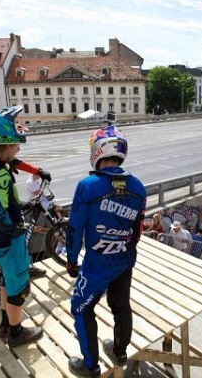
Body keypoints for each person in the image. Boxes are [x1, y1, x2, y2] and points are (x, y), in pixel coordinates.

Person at [66, 125, 146, 377]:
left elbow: (74, 229)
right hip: (124, 260)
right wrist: (123, 248)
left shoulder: (87, 185)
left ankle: (90, 366)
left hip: (97, 263)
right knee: (121, 305)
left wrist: (70, 260)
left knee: (81, 307)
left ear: (97, 152)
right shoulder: (138, 186)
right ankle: (120, 351)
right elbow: (138, 230)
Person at [0, 105, 45, 347]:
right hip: (7, 241)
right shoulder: (0, 174)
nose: (18, 148)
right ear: (4, 145)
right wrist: (15, 228)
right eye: (15, 145)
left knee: (6, 279)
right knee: (19, 289)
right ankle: (15, 332)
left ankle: (4, 324)